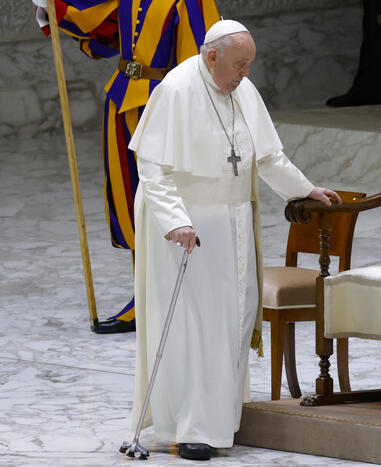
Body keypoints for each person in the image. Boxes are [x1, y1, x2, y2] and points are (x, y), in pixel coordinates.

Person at [128, 20, 341, 461]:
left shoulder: (240, 88)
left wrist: (305, 190)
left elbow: (268, 156)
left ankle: (222, 419)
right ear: (212, 57)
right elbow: (153, 170)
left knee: (235, 317)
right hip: (189, 227)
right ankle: (190, 426)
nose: (244, 74)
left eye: (248, 65)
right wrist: (175, 222)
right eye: (239, 65)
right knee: (197, 324)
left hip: (236, 222)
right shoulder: (176, 89)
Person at [33, 0, 220, 333]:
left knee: (170, 201)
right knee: (130, 199)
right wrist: (55, 8)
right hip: (122, 99)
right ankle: (146, 295)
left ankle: (182, 294)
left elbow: (203, 63)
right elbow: (104, 33)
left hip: (165, 107)